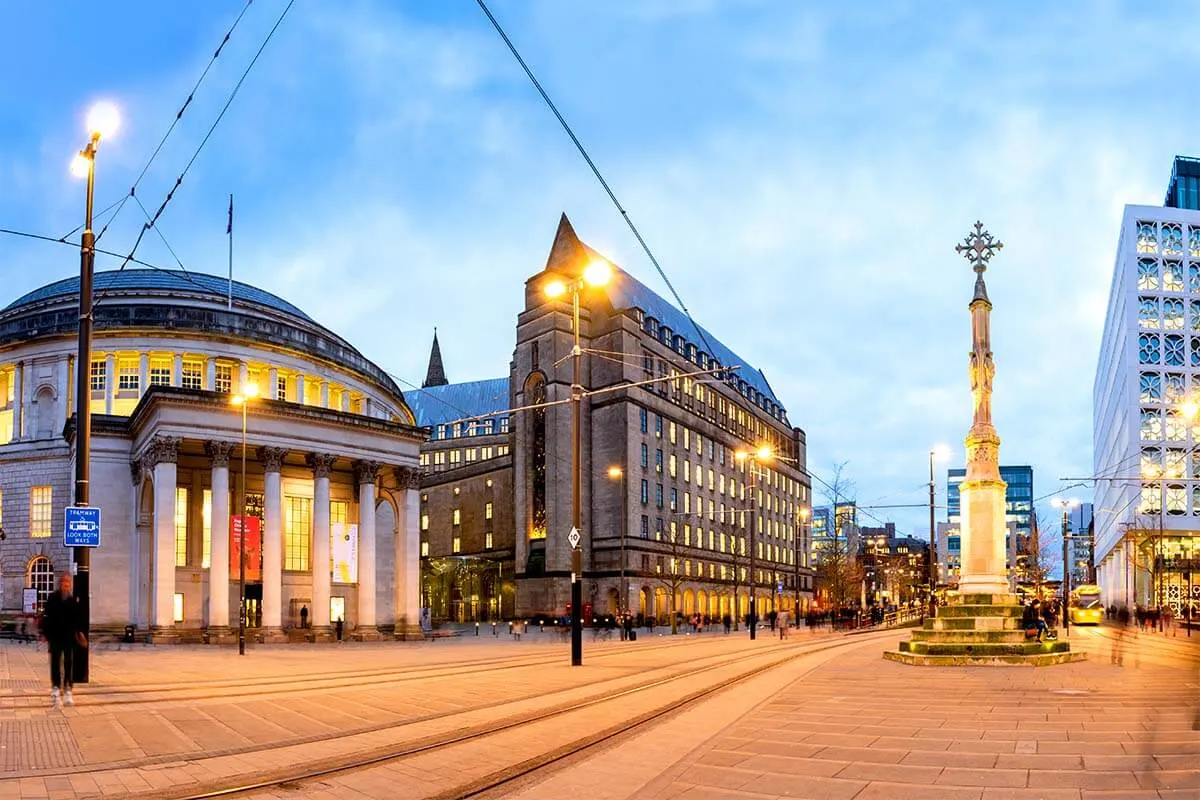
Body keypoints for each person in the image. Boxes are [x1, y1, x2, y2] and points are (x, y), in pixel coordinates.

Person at [40, 573, 87, 709]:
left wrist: (81, 634)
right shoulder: (52, 598)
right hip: (55, 636)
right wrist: (45, 633)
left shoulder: (73, 601)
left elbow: (78, 619)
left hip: (69, 638)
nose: (66, 585)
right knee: (55, 663)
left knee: (68, 664)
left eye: (68, 583)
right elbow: (47, 617)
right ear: (60, 584)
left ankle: (68, 689)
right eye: (64, 583)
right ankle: (55, 687)